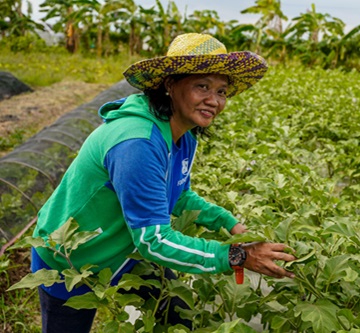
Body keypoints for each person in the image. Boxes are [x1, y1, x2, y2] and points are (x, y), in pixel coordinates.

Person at [30, 33, 296, 332]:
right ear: (170, 84)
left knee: (177, 311)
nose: (214, 100)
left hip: (126, 250)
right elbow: (154, 242)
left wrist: (230, 224)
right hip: (72, 259)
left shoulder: (183, 134)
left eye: (222, 91)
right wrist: (237, 255)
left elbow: (178, 195)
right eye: (202, 86)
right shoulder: (137, 143)